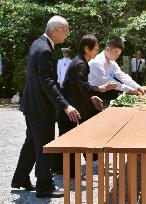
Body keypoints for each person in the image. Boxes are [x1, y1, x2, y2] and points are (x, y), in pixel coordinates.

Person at [11, 15, 81, 198]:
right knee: (45, 145)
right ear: (57, 29)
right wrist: (65, 106)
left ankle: (20, 178)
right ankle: (44, 187)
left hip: (32, 104)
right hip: (41, 107)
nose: (67, 35)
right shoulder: (45, 50)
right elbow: (47, 81)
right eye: (66, 31)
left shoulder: (37, 43)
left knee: (32, 143)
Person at [52, 34, 116, 177]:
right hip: (69, 106)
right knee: (70, 138)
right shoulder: (80, 64)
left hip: (71, 105)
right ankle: (69, 171)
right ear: (87, 48)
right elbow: (83, 86)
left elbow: (79, 87)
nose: (97, 52)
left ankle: (59, 168)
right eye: (96, 49)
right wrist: (101, 89)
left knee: (67, 137)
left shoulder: (80, 62)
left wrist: (92, 95)